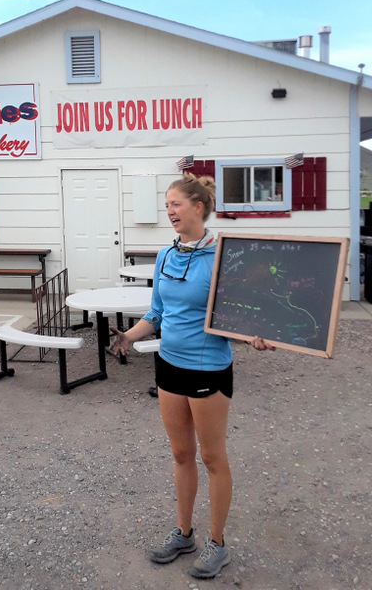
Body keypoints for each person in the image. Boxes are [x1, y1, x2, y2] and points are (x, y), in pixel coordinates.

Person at [110, 173, 275, 579]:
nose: (169, 211)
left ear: (198, 207)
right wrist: (127, 337)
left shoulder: (223, 255)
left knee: (211, 457)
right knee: (181, 455)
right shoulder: (166, 256)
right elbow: (157, 314)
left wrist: (255, 335)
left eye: (175, 204)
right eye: (166, 205)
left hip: (208, 368)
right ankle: (184, 533)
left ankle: (218, 544)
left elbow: (242, 312)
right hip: (169, 366)